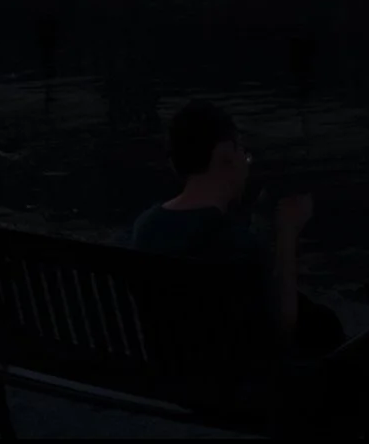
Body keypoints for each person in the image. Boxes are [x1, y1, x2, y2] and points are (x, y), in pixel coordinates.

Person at [133, 101, 340, 355]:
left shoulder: (146, 227)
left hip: (171, 371)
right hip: (233, 384)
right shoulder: (236, 244)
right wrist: (287, 233)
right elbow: (283, 328)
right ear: (225, 155)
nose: (246, 164)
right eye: (244, 153)